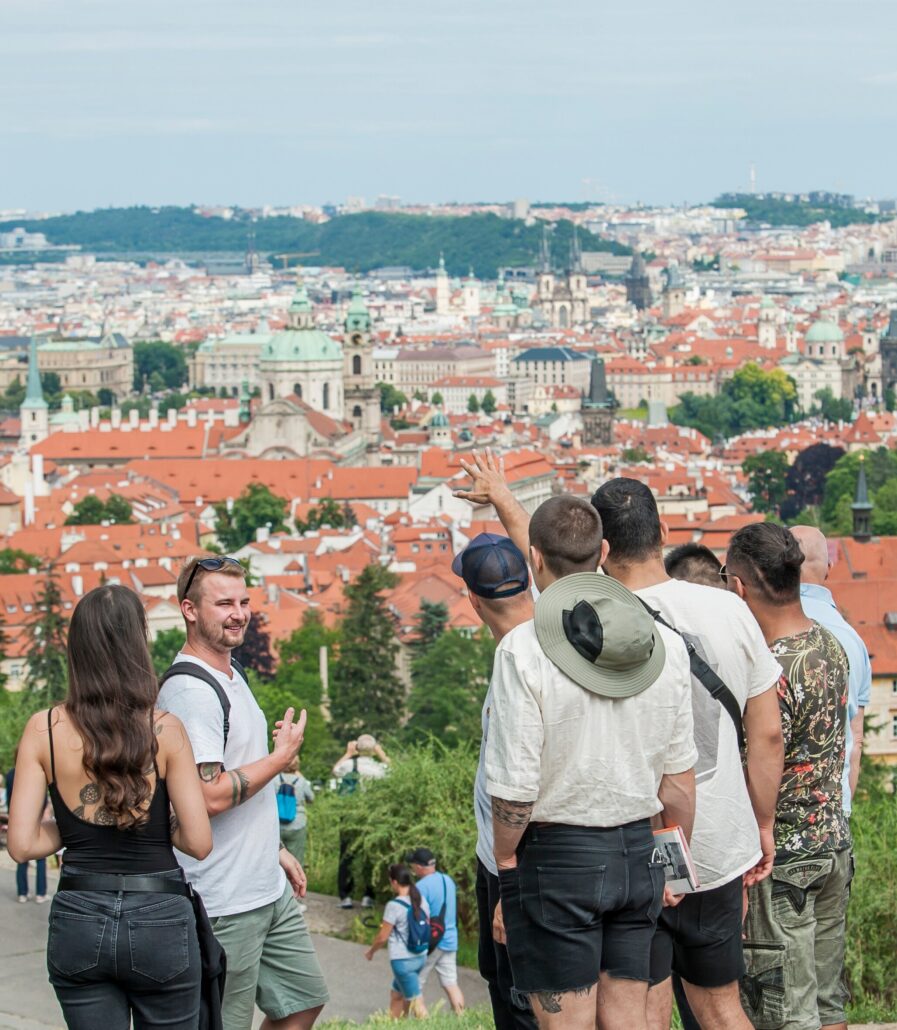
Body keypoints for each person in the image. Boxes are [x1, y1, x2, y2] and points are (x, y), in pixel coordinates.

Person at [456, 457, 785, 1030]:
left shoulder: (566, 630)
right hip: (690, 842)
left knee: (607, 1017)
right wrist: (750, 829)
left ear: (601, 551)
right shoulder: (718, 615)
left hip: (592, 845)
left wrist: (507, 860)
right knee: (712, 1007)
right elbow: (760, 738)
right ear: (661, 534)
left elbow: (550, 560)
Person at [486, 495, 698, 1030]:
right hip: (638, 852)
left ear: (534, 558)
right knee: (629, 1022)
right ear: (603, 552)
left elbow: (514, 789)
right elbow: (678, 785)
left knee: (567, 1025)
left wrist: (505, 860)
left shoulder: (523, 650)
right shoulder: (666, 646)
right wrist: (674, 862)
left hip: (557, 856)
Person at [8, 584, 213, 1029]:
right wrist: (149, 818)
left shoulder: (42, 728)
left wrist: (78, 819)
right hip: (159, 913)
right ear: (137, 643)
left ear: (77, 648)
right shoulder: (166, 729)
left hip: (79, 914)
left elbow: (21, 845)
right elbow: (198, 842)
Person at [157, 555, 329, 1030]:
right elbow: (206, 797)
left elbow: (233, 773)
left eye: (244, 601)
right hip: (222, 899)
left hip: (262, 886)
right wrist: (279, 758)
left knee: (302, 1001)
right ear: (189, 610)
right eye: (224, 603)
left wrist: (271, 848)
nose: (239, 613)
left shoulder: (232, 675)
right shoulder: (191, 693)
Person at [725, 523, 852, 1030]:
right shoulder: (830, 643)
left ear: (738, 587)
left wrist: (756, 827)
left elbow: (767, 745)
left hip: (783, 858)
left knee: (786, 1013)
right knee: (827, 1002)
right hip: (832, 841)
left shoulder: (767, 667)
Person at [453, 532, 538, 1030]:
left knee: (520, 998)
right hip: (502, 858)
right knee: (504, 982)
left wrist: (512, 882)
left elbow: (529, 786)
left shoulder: (517, 663)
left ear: (472, 599)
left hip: (518, 865)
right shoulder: (551, 634)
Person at [791, 525, 871, 813]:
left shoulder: (765, 626)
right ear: (829, 568)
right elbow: (856, 739)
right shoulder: (854, 640)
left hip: (777, 813)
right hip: (834, 814)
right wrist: (843, 808)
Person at [364, 863, 431, 1020]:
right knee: (396, 994)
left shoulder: (394, 905)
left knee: (417, 1003)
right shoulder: (422, 901)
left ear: (394, 882)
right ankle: (396, 1024)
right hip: (420, 957)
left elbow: (382, 937)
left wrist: (371, 952)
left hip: (403, 962)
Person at [333, 734, 390, 909]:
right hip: (371, 815)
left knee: (347, 855)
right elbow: (394, 768)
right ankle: (368, 895)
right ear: (373, 750)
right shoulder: (379, 768)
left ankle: (345, 896)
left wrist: (349, 753)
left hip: (350, 814)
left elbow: (335, 770)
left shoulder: (349, 765)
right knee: (369, 855)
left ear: (357, 747)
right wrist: (380, 753)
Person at [407, 846, 465, 1015]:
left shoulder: (420, 887)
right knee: (450, 982)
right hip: (450, 939)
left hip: (432, 941)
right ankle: (462, 1019)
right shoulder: (448, 880)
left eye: (413, 865)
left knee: (415, 982)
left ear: (418, 867)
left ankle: (424, 1022)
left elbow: (417, 918)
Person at [6, 748, 48, 903]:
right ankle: (40, 893)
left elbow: (9, 798)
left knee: (21, 857)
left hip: (17, 820)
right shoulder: (36, 773)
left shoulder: (11, 774)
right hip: (36, 819)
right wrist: (42, 812)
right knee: (41, 859)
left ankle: (22, 893)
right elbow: (42, 797)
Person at [278, 756, 315, 868]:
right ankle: (296, 884)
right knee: (296, 861)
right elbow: (311, 798)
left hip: (277, 824)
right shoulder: (301, 781)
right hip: (297, 824)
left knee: (277, 860)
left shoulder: (274, 779)